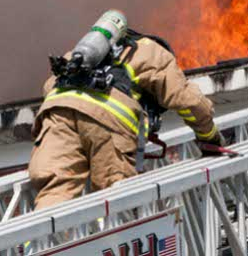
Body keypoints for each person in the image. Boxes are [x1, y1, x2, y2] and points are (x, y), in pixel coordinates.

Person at [28, 12, 223, 209]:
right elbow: (187, 100)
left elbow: (49, 86)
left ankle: (39, 240)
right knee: (115, 201)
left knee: (54, 195)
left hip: (57, 114)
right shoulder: (152, 52)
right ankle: (110, 239)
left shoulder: (75, 55)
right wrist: (209, 137)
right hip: (108, 123)